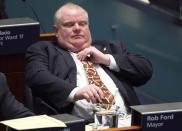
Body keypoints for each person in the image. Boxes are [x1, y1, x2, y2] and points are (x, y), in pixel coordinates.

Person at [25, 2, 153, 122]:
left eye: (82, 23)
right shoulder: (44, 50)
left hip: (127, 123)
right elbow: (37, 77)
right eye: (69, 24)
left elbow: (145, 70)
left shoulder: (111, 47)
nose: (77, 28)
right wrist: (76, 92)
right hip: (82, 126)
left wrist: (106, 59)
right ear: (56, 31)